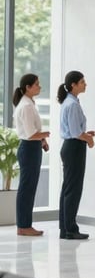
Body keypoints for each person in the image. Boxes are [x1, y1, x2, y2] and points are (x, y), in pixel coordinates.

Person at [58, 70, 95, 240]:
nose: (85, 84)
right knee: (73, 189)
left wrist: (85, 134)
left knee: (68, 187)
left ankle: (65, 228)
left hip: (71, 146)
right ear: (73, 85)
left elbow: (75, 130)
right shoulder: (72, 104)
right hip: (74, 147)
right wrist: (87, 138)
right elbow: (74, 132)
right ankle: (70, 229)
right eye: (82, 82)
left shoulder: (70, 102)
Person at [13, 73, 50, 236]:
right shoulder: (26, 106)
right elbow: (30, 134)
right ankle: (23, 225)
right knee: (27, 188)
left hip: (32, 148)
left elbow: (33, 132)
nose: (39, 86)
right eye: (36, 84)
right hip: (29, 149)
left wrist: (42, 141)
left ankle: (25, 224)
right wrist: (45, 134)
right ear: (27, 87)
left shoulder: (29, 103)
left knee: (29, 187)